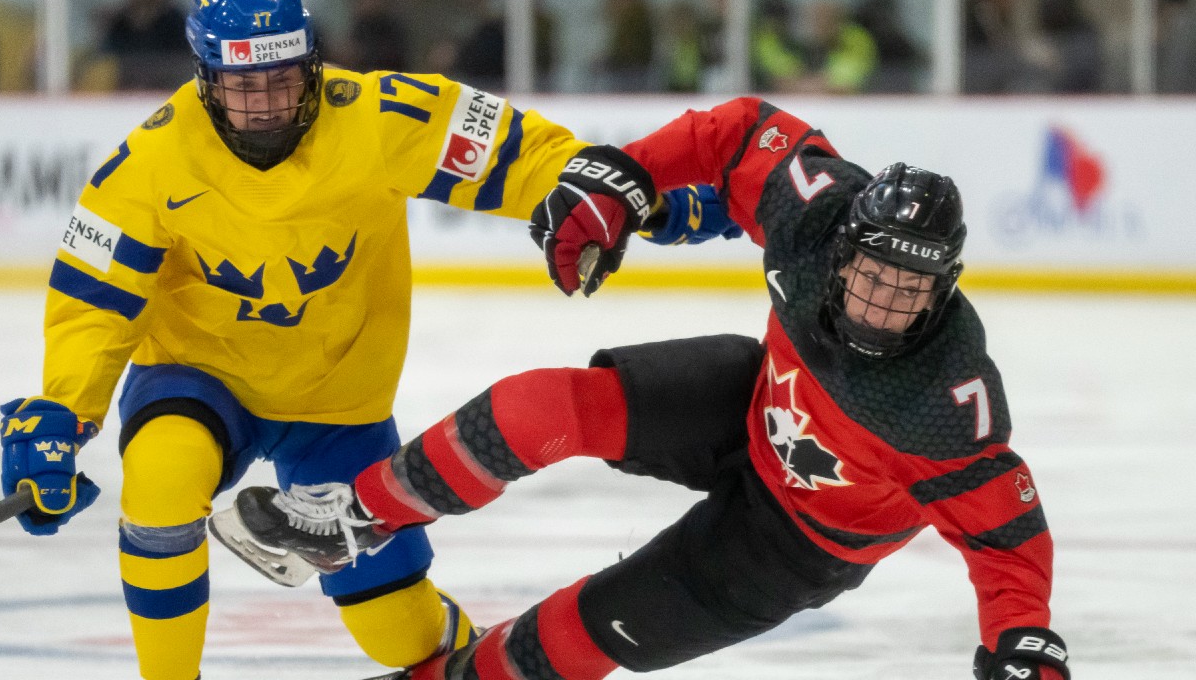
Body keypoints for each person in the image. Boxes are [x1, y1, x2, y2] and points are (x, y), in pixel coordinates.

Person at [213, 96, 1072, 680]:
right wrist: (624, 175)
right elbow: (738, 130)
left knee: (579, 634)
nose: (885, 305)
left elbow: (1009, 538)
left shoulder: (946, 402)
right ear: (843, 246)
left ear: (946, 287)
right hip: (753, 402)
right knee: (539, 406)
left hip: (799, 544)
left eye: (911, 289)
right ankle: (355, 520)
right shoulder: (816, 212)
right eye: (874, 275)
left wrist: (1022, 641)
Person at [0, 0, 655, 680]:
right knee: (158, 480)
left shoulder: (377, 117)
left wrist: (605, 192)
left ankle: (468, 660)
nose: (268, 105)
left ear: (311, 65)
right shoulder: (148, 163)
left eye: (282, 80)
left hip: (339, 402)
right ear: (206, 79)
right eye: (244, 87)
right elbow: (95, 301)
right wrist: (64, 411)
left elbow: (515, 152)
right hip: (201, 377)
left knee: (397, 636)